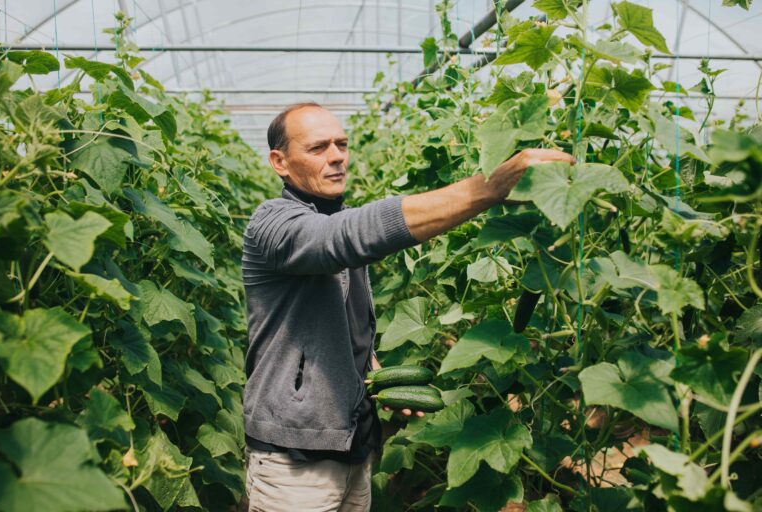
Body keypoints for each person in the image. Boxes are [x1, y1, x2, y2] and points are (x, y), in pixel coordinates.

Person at [241, 102, 573, 511]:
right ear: (280, 162)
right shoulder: (271, 224)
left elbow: (341, 322)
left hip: (356, 444)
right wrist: (487, 188)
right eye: (318, 148)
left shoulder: (338, 215)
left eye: (341, 144)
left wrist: (375, 374)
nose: (336, 156)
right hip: (295, 456)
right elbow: (341, 238)